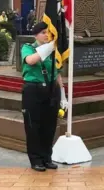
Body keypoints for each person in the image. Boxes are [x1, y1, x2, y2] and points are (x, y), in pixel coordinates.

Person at [20, 22, 69, 171]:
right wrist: (49, 47)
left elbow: (57, 74)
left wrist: (62, 95)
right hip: (33, 90)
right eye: (43, 33)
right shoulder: (28, 47)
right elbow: (31, 60)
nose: (47, 35)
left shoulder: (53, 52)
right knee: (33, 126)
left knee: (49, 126)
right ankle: (36, 160)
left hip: (50, 90)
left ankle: (47, 157)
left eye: (48, 32)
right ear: (36, 35)